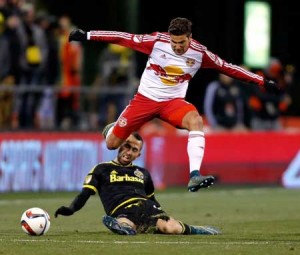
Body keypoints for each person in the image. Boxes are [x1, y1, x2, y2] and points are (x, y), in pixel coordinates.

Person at [68, 17, 279, 192]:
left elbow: (228, 68)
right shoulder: (156, 41)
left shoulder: (200, 53)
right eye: (174, 43)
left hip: (172, 103)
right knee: (112, 144)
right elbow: (122, 38)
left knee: (195, 121)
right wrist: (87, 35)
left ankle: (194, 175)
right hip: (145, 100)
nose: (177, 47)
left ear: (190, 37)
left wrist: (261, 81)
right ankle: (111, 130)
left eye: (181, 43)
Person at [55, 132, 221, 235]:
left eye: (134, 150)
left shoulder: (143, 173)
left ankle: (198, 229)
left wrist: (162, 214)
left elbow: (153, 198)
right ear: (120, 145)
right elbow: (85, 193)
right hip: (122, 209)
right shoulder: (101, 169)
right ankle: (120, 226)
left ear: (138, 154)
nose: (129, 152)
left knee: (171, 228)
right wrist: (71, 209)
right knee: (127, 224)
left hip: (147, 207)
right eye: (127, 147)